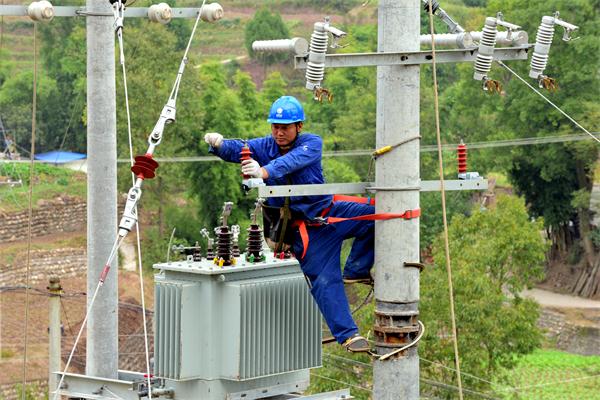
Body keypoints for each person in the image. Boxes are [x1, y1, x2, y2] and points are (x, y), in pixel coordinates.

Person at [204, 95, 374, 353]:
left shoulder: (311, 143)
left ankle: (356, 269)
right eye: (275, 127)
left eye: (285, 127)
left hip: (329, 211)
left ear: (299, 126)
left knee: (379, 214)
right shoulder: (265, 146)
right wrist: (219, 145)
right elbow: (240, 148)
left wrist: (263, 171)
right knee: (324, 280)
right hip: (306, 230)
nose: (279, 133)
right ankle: (348, 335)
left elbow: (291, 162)